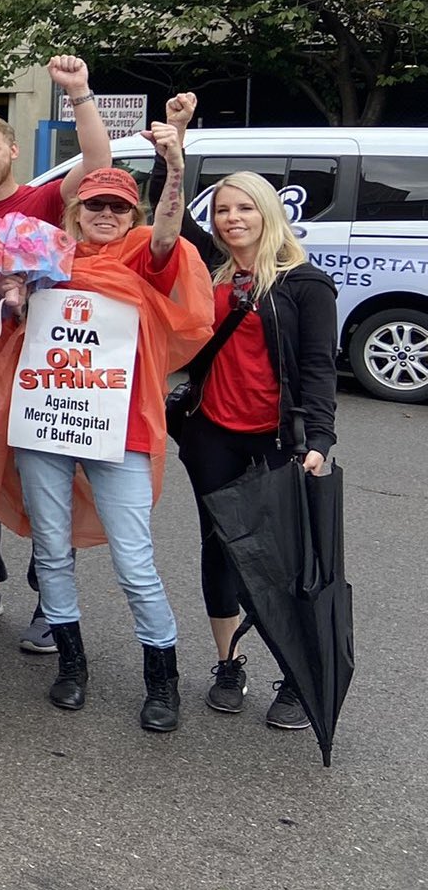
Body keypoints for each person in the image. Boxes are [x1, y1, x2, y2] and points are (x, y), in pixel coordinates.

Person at [0, 129, 212, 732]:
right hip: (46, 423)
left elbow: (169, 234)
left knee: (136, 562)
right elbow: (4, 309)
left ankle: (161, 681)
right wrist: (11, 293)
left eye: (117, 206)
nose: (106, 214)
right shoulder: (46, 258)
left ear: (132, 212)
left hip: (122, 428)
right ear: (75, 210)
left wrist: (174, 164)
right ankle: (71, 664)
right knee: (52, 551)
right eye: (95, 205)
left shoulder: (144, 253)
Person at [151, 103, 337, 732]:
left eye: (244, 208)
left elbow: (316, 370)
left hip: (278, 438)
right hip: (211, 435)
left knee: (285, 558)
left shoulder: (304, 283)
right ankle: (228, 663)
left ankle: (293, 672)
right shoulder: (216, 273)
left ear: (269, 212)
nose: (231, 220)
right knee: (221, 550)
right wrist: (173, 153)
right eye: (223, 210)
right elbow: (168, 217)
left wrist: (320, 437)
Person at [0, 56, 113, 645]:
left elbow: (97, 164)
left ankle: (51, 597)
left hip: (39, 368)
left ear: (13, 151)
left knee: (45, 480)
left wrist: (79, 94)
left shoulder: (42, 200)